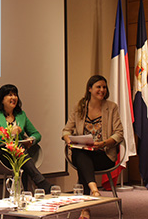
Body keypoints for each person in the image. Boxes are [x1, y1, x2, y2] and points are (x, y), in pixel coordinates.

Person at [62, 75, 124, 219]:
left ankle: (86, 208)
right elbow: (66, 131)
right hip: (83, 153)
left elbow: (119, 134)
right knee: (80, 153)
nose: (102, 90)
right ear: (90, 89)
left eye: (104, 87)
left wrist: (103, 143)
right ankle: (94, 190)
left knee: (82, 162)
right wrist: (69, 141)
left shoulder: (111, 107)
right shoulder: (79, 107)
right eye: (98, 87)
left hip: (104, 155)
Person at [0, 84, 52, 193]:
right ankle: (41, 182)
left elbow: (37, 134)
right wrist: (9, 133)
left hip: (19, 153)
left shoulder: (21, 115)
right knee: (17, 148)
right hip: (1, 154)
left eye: (15, 95)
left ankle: (23, 194)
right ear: (2, 99)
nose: (14, 98)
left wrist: (31, 140)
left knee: (19, 151)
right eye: (10, 95)